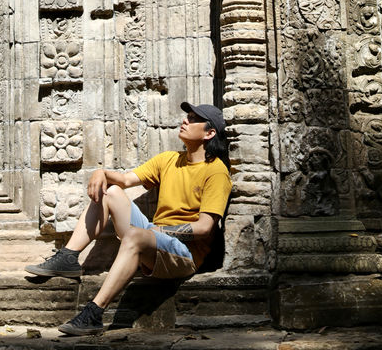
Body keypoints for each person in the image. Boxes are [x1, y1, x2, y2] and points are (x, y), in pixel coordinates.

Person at [25, 102, 232, 335]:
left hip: (186, 254)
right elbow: (124, 181)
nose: (185, 120)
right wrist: (101, 173)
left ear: (209, 133)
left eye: (194, 118)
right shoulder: (169, 159)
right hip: (154, 237)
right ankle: (68, 257)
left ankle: (94, 312)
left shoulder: (216, 172)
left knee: (135, 234)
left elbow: (205, 228)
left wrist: (157, 233)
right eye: (187, 116)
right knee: (110, 191)